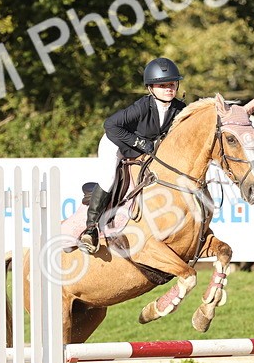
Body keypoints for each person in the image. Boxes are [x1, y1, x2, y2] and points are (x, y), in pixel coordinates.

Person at [79, 56, 187, 253]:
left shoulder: (179, 109)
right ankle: (91, 229)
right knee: (109, 177)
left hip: (142, 152)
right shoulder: (143, 106)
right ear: (151, 88)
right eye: (162, 85)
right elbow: (110, 125)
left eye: (171, 84)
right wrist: (141, 143)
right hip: (116, 144)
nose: (168, 88)